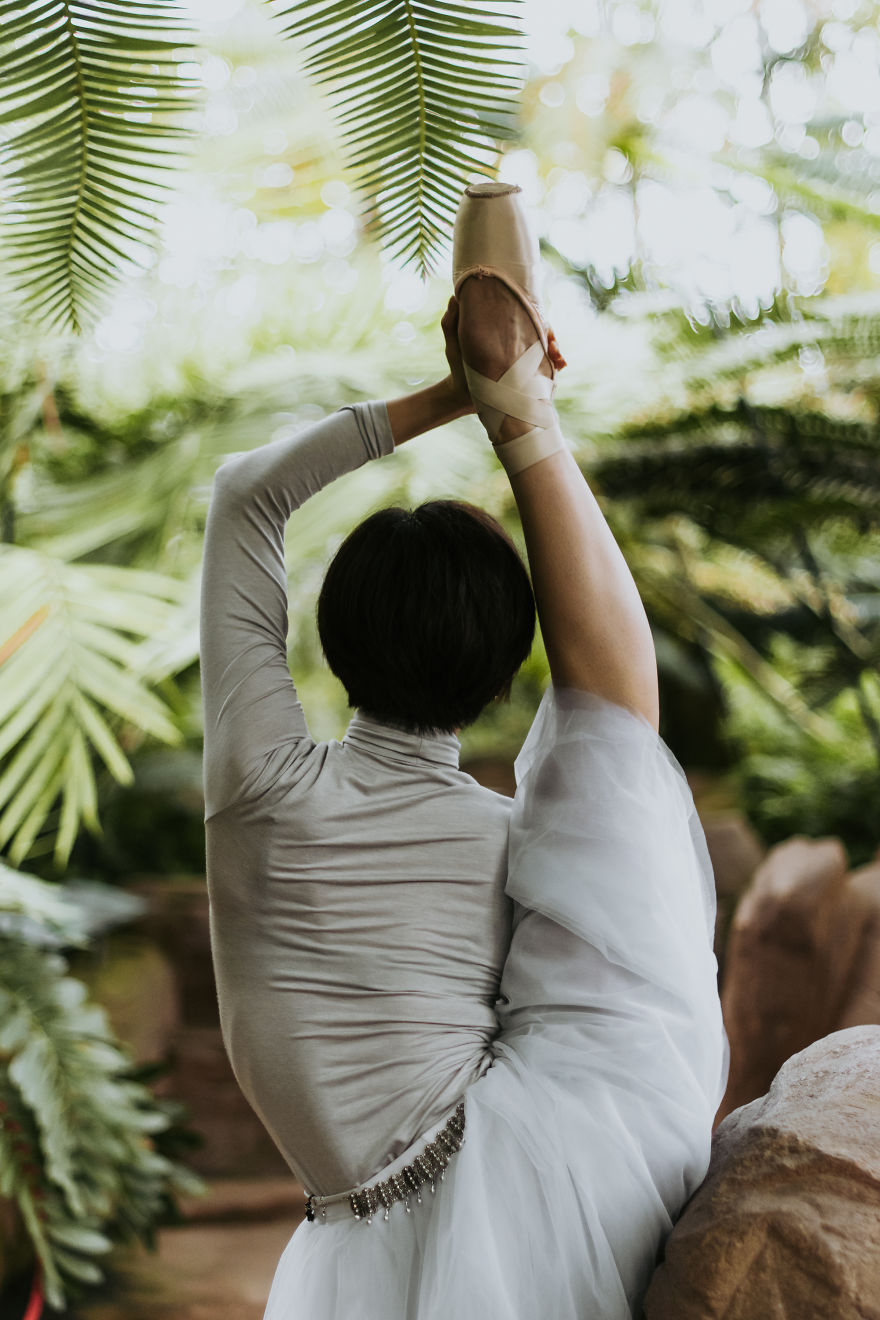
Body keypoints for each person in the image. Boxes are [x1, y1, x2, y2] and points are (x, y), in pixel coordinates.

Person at [199, 184, 728, 1320]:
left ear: (333, 644)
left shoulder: (259, 790)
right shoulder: (522, 849)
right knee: (612, 749)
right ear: (500, 685)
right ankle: (526, 412)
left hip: (462, 1189)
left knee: (612, 755)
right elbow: (610, 727)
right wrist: (491, 397)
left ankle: (516, 404)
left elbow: (245, 499)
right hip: (541, 1172)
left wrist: (442, 398)